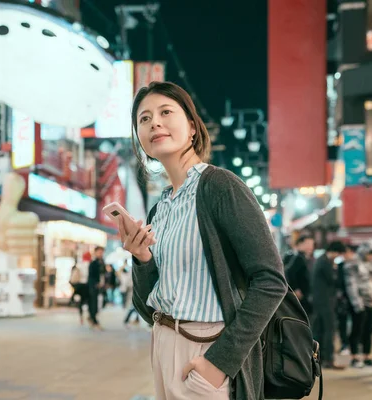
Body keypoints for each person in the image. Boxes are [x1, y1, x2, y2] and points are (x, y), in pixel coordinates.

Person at [121, 81, 287, 400]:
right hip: (163, 342)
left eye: (166, 112)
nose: (154, 122)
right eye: (144, 118)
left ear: (193, 128)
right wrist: (142, 259)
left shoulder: (219, 187)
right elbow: (146, 308)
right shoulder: (161, 209)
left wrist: (220, 362)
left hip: (209, 346)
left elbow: (270, 281)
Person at [311, 241, 347, 370]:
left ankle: (319, 359)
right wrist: (337, 269)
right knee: (329, 329)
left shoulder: (320, 260)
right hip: (325, 301)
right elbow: (334, 280)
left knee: (319, 330)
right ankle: (328, 359)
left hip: (320, 300)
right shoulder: (325, 263)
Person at [344, 244, 372, 367]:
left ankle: (367, 356)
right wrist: (357, 303)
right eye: (371, 253)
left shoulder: (371, 264)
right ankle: (355, 357)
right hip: (359, 303)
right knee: (357, 330)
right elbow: (350, 285)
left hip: (371, 301)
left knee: (368, 330)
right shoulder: (352, 264)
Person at [285, 235, 315, 316]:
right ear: (300, 244)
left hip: (304, 294)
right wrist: (295, 289)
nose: (311, 247)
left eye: (312, 244)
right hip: (300, 295)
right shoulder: (298, 257)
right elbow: (289, 272)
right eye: (308, 244)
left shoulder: (304, 257)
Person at [87, 247, 105, 330]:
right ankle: (94, 320)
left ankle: (92, 317)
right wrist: (95, 284)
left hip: (101, 287)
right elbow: (91, 276)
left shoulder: (102, 262)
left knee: (100, 303)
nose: (101, 254)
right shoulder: (93, 263)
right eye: (99, 252)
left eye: (102, 252)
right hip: (93, 286)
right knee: (93, 304)